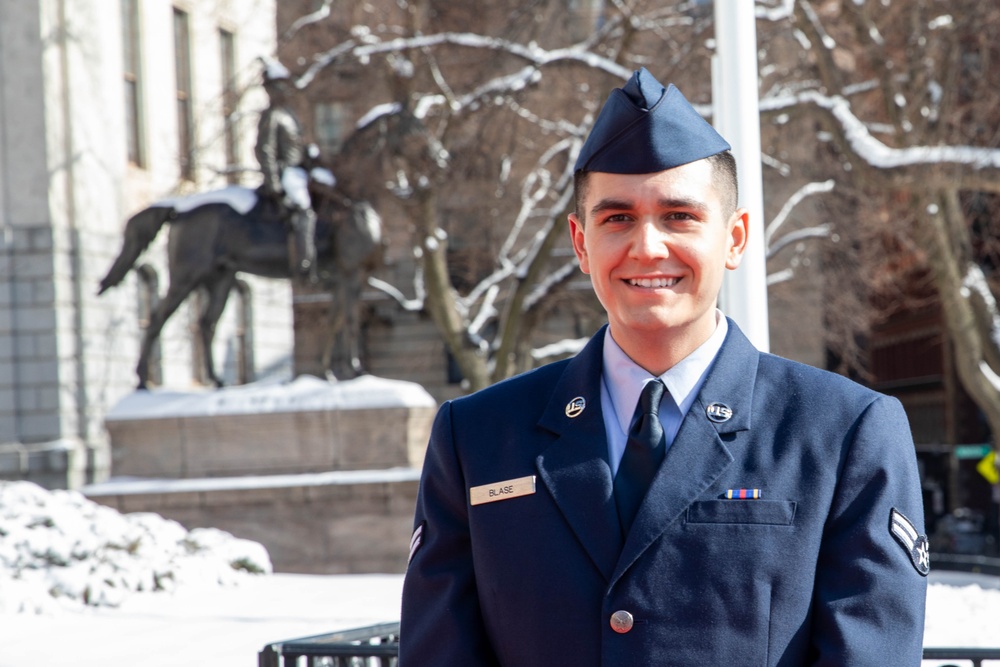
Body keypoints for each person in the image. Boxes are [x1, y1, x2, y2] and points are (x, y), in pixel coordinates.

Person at [399, 68, 928, 666]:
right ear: (580, 243)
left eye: (679, 216)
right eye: (616, 218)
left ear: (734, 238)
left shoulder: (843, 432)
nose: (647, 247)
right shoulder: (477, 437)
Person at [255, 57, 317, 282]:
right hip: (286, 174)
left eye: (284, 86)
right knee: (303, 212)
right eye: (277, 87)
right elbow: (265, 150)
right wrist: (274, 183)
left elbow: (297, 146)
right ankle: (304, 263)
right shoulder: (272, 116)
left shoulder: (289, 115)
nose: (282, 91)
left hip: (299, 171)